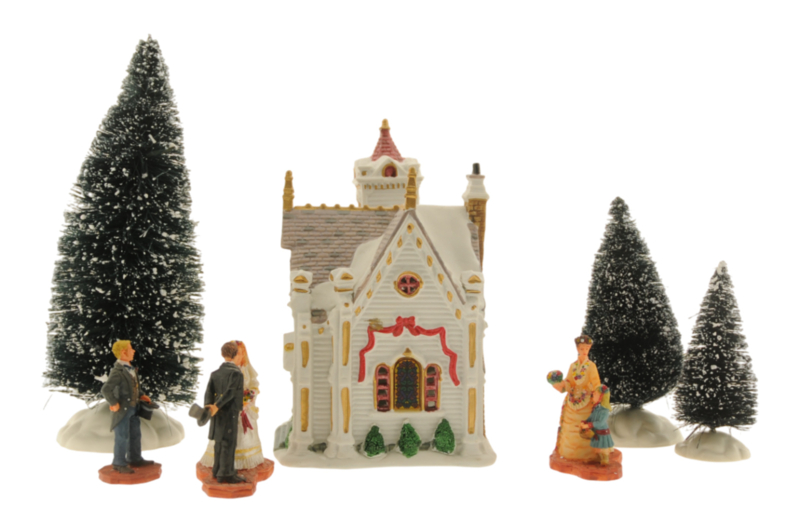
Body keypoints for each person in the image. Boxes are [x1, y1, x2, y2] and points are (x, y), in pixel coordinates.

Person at [200, 341, 265, 471]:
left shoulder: (246, 371)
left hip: (241, 407)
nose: (239, 356)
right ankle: (222, 467)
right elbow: (222, 392)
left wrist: (246, 400)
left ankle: (231, 466)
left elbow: (253, 388)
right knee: (224, 439)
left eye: (241, 353)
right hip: (226, 409)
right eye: (237, 353)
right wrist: (211, 406)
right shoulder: (223, 372)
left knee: (238, 436)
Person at [100, 340, 155, 473]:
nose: (134, 351)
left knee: (135, 435)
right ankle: (119, 463)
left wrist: (141, 395)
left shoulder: (131, 368)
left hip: (134, 408)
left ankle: (135, 458)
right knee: (122, 436)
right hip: (123, 410)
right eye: (131, 349)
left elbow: (133, 386)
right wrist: (113, 403)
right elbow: (106, 389)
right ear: (123, 352)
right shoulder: (117, 371)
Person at [551, 335, 601, 461]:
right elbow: (569, 382)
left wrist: (596, 395)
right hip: (572, 401)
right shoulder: (573, 366)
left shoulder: (591, 366)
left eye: (587, 349)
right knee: (569, 427)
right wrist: (560, 384)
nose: (584, 351)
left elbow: (596, 384)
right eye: (582, 348)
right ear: (577, 349)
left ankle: (587, 455)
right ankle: (569, 452)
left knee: (585, 427)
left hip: (586, 402)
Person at [204, 341, 246, 483]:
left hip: (216, 414)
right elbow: (230, 393)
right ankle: (226, 473)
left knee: (219, 441)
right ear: (235, 354)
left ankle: (217, 469)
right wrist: (217, 406)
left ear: (222, 354)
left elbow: (208, 392)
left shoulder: (215, 374)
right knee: (229, 442)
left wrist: (209, 407)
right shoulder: (236, 373)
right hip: (229, 412)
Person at [581, 385, 615, 465]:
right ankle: (598, 457)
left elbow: (601, 423)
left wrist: (588, 425)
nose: (593, 395)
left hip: (602, 433)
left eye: (595, 394)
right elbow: (591, 417)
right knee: (597, 448)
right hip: (596, 432)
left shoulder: (605, 411)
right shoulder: (596, 408)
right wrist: (585, 422)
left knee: (603, 448)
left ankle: (605, 459)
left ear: (601, 397)